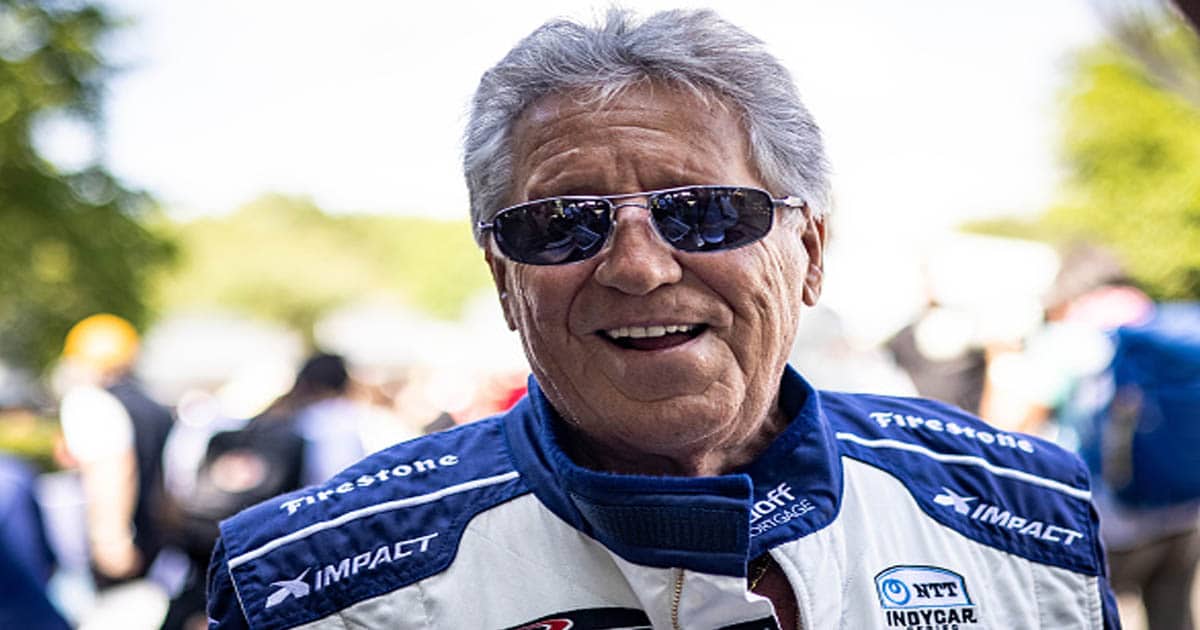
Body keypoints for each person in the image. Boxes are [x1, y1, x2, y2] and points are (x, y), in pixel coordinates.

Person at [207, 9, 1120, 628]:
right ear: (502, 278)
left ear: (810, 252)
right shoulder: (304, 581)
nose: (640, 267)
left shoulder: (1026, 514)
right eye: (560, 224)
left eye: (706, 212)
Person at [57, 313, 173, 590]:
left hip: (118, 548)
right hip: (156, 541)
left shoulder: (90, 401)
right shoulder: (153, 406)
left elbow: (110, 468)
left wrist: (111, 539)